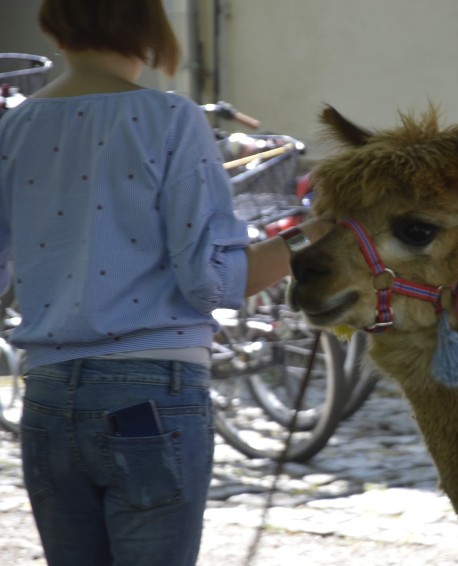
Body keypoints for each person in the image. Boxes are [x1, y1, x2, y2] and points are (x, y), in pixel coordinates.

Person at [0, 1, 327, 564]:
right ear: (148, 27)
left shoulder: (15, 126)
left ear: (56, 23)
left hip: (48, 400)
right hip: (150, 395)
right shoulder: (169, 117)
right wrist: (316, 235)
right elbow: (215, 281)